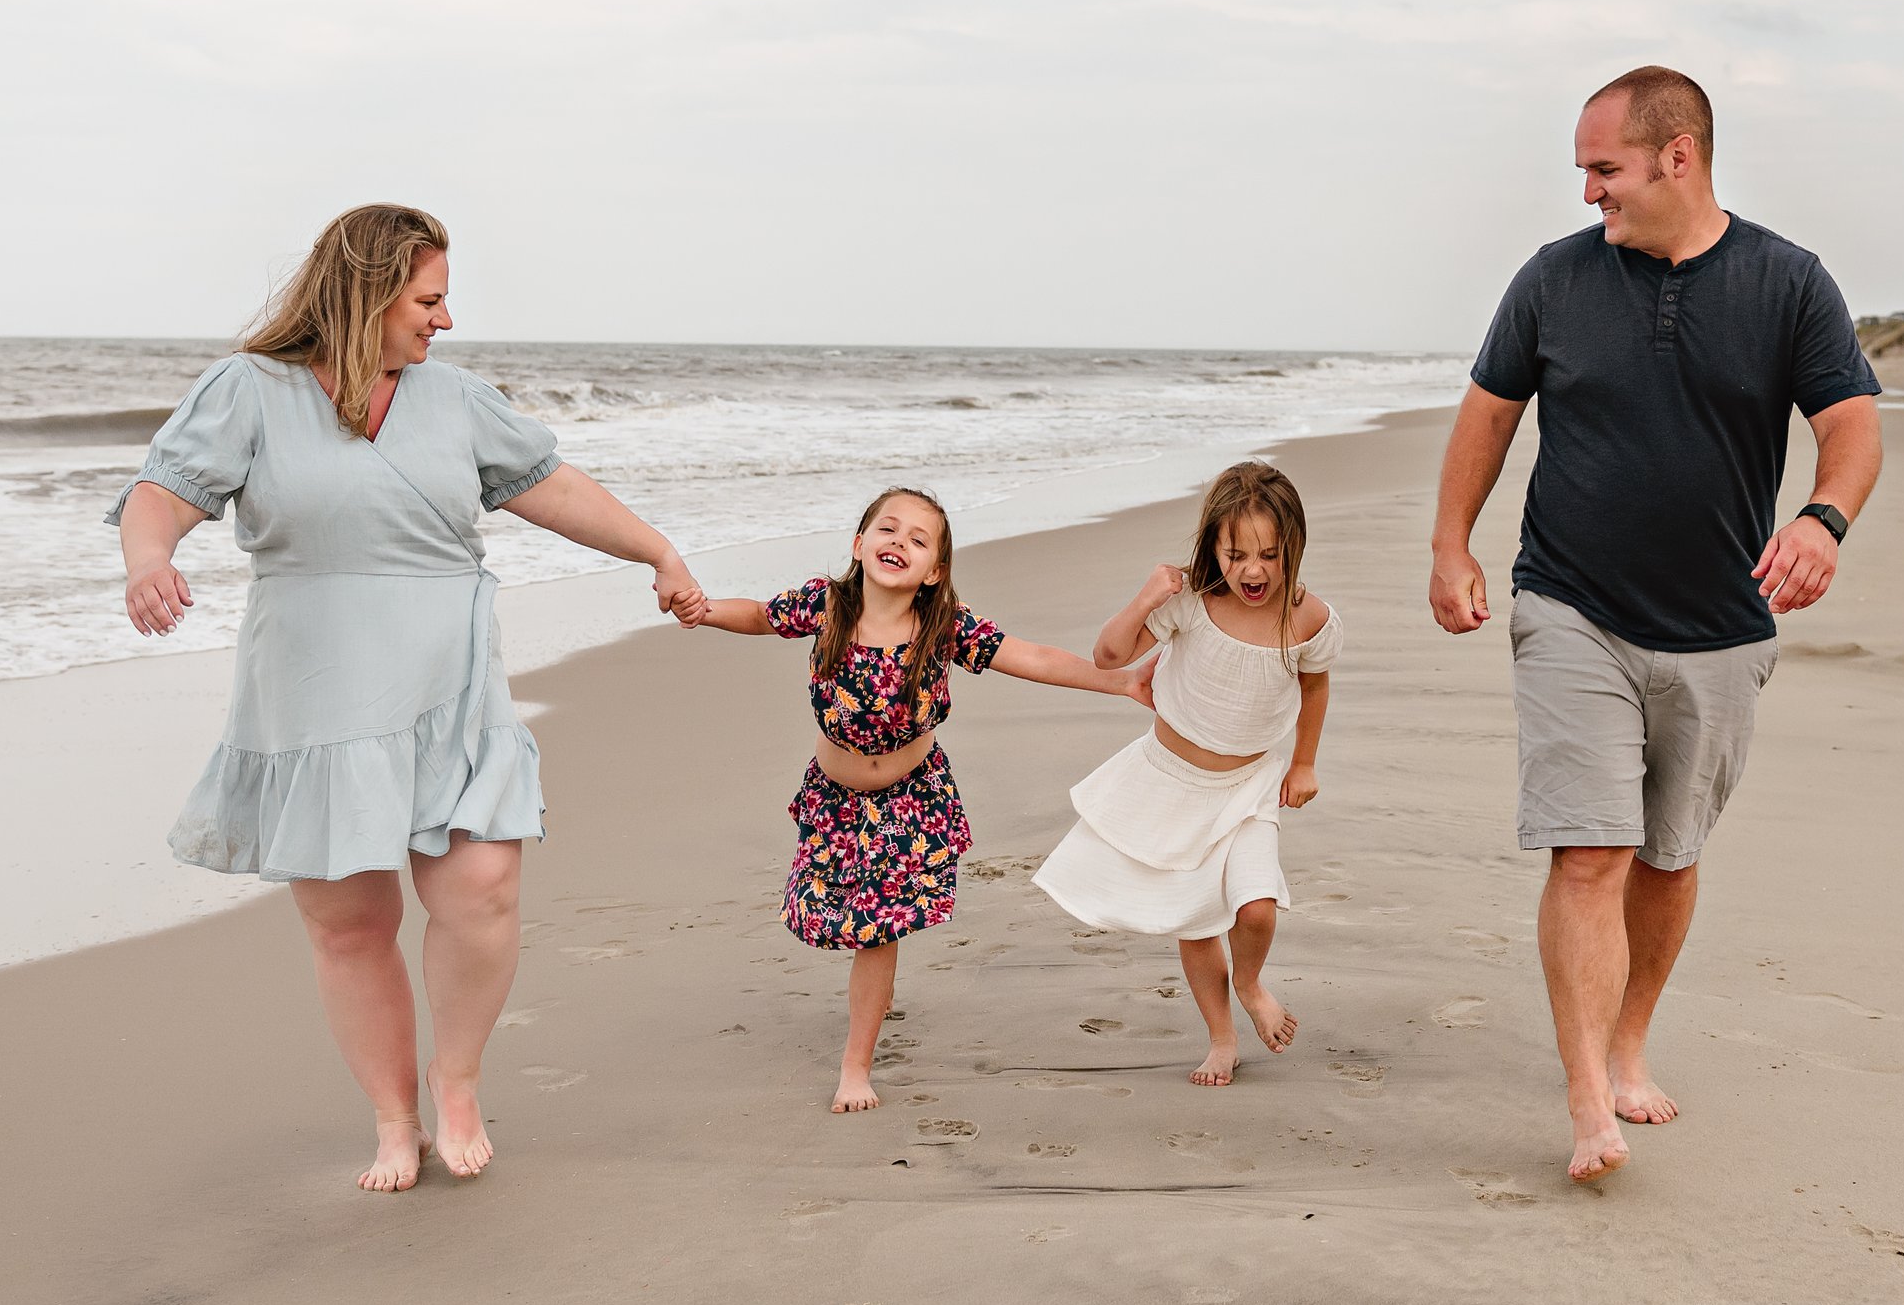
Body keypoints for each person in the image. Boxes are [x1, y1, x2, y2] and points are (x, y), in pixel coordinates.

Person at [112, 203, 705, 1191]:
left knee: (481, 890)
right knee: (348, 922)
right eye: (429, 297)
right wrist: (148, 558)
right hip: (314, 689)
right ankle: (394, 1119)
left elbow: (550, 485)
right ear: (367, 291)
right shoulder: (247, 391)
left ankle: (456, 1081)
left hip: (447, 679)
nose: (445, 318)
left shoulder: (458, 400)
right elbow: (162, 493)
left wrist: (656, 549)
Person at [1430, 67, 1883, 1184]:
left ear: (1676, 156)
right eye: (1584, 171)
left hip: (1722, 625)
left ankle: (1629, 1039)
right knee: (1590, 848)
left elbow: (1852, 427)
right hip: (1569, 601)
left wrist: (1824, 519)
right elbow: (1488, 415)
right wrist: (1451, 544)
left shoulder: (1788, 283)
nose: (1589, 192)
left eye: (1604, 169)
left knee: (1668, 858)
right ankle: (1589, 1093)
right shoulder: (1551, 281)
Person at [691, 487, 1148, 1114]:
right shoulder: (827, 606)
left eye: (917, 538)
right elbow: (760, 616)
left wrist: (1118, 681)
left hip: (912, 801)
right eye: (887, 529)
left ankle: (856, 1067)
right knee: (837, 922)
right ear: (858, 544)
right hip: (835, 803)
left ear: (935, 571)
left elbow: (1030, 656)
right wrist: (704, 608)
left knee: (880, 932)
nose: (897, 543)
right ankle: (871, 1008)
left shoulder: (944, 625)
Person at [1034, 462, 1339, 1088]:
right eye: (1236, 554)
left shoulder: (1307, 618)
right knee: (1197, 922)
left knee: (1254, 910)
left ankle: (1251, 983)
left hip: (1249, 787)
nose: (1253, 570)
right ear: (1213, 548)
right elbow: (1109, 657)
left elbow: (1315, 684)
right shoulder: (1190, 605)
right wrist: (1148, 594)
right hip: (1170, 781)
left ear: (1294, 549)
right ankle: (1221, 1037)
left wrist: (1305, 761)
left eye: (1270, 555)